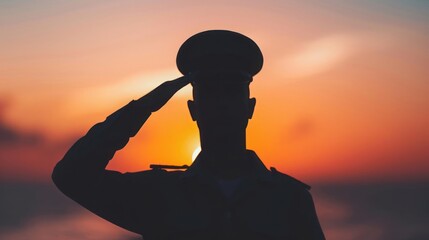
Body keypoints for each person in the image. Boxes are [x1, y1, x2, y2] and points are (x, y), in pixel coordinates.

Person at [52, 30, 325, 240]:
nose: (220, 103)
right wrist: (144, 106)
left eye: (230, 91)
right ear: (193, 110)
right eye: (209, 92)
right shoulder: (159, 194)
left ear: (250, 107)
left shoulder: (289, 199)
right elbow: (71, 176)